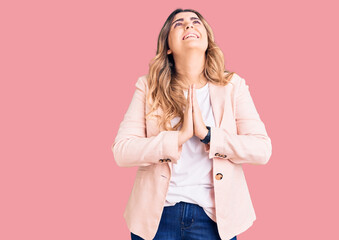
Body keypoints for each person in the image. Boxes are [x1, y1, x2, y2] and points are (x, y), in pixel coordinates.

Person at [112, 8, 272, 240]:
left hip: (214, 220)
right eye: (178, 24)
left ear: (207, 39)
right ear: (167, 46)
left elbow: (262, 149)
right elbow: (122, 151)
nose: (189, 25)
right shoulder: (148, 87)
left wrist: (208, 135)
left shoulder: (233, 86)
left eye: (195, 21)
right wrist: (177, 138)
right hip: (156, 220)